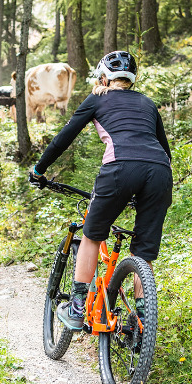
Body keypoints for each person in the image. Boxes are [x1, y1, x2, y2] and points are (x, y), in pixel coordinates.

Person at [29, 50, 172, 330]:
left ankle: (77, 307)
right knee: (143, 251)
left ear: (103, 78)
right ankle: (143, 321)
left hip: (120, 169)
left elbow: (63, 138)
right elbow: (164, 150)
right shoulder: (148, 103)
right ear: (132, 79)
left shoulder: (98, 98)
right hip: (159, 173)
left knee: (92, 235)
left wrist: (39, 169)